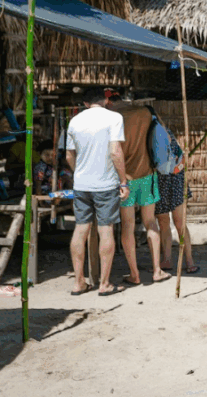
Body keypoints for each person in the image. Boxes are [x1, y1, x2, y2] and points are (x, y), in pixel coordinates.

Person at [65, 87, 129, 296]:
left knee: (80, 230)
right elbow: (115, 151)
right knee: (105, 230)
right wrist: (123, 182)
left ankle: (78, 283)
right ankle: (104, 283)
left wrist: (79, 174)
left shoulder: (74, 121)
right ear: (105, 100)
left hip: (81, 185)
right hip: (106, 184)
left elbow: (68, 155)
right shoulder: (114, 118)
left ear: (84, 103)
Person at [108, 94, 170, 284]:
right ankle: (157, 270)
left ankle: (134, 274)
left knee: (127, 226)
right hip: (147, 175)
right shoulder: (145, 112)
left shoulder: (113, 118)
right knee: (150, 222)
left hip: (124, 179)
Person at [155, 133, 198, 274]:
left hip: (174, 180)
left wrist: (175, 170)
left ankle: (189, 260)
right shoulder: (151, 134)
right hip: (160, 181)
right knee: (163, 222)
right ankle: (167, 260)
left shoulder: (164, 133)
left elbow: (182, 158)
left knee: (179, 222)